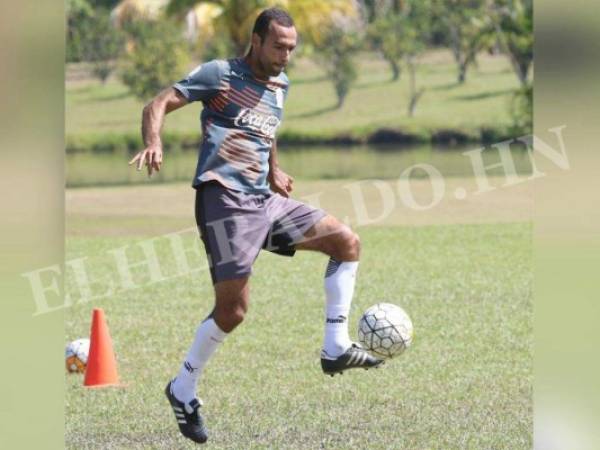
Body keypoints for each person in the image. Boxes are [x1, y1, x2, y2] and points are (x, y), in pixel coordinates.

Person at [128, 7, 383, 445]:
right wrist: (153, 141)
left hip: (264, 201)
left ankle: (335, 347)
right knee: (233, 312)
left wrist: (272, 172)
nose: (286, 54)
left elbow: (268, 130)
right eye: (279, 46)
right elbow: (158, 103)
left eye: (292, 48)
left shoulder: (280, 85)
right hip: (223, 202)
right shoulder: (220, 74)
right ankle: (182, 388)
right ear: (258, 41)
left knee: (346, 242)